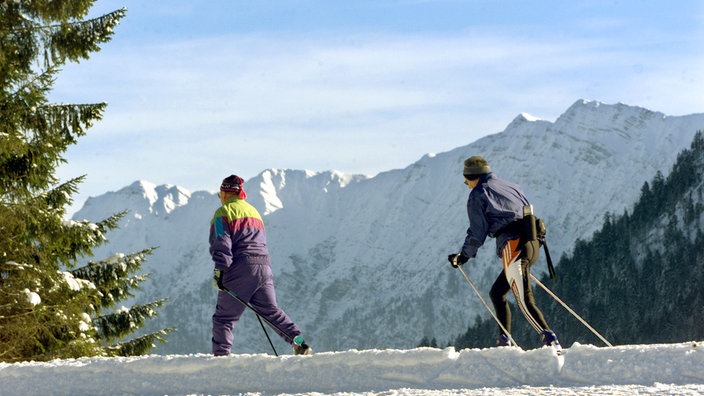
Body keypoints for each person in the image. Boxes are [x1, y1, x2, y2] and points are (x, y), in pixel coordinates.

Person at [447, 156, 560, 350]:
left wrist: (463, 256)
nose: (466, 185)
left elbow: (477, 231)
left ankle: (551, 343)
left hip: (513, 246)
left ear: (473, 177)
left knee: (524, 301)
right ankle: (504, 341)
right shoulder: (512, 186)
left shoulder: (478, 194)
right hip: (532, 242)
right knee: (497, 292)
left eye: (466, 181)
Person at [210, 174, 312, 356]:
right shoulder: (254, 212)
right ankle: (299, 343)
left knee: (224, 318)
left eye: (220, 194)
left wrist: (220, 272)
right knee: (272, 311)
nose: (220, 198)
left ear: (225, 193)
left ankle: (221, 358)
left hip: (239, 268)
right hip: (264, 268)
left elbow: (222, 243)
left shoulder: (222, 213)